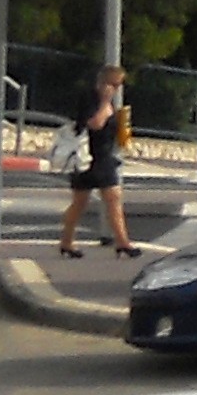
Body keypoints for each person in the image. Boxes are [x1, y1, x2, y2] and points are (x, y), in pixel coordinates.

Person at [59, 66, 134, 257]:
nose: (116, 90)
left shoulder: (108, 102)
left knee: (109, 198)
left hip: (103, 156)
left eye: (118, 86)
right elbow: (95, 124)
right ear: (103, 83)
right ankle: (67, 243)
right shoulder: (90, 99)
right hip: (89, 157)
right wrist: (105, 103)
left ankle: (122, 242)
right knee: (83, 203)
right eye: (114, 85)